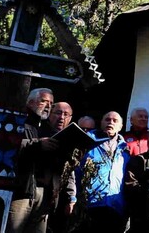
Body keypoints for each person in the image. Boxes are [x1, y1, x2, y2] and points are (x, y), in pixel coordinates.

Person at [7, 88, 63, 233]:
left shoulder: (50, 128)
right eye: (43, 101)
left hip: (44, 193)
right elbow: (7, 145)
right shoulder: (18, 121)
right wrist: (37, 144)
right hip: (22, 190)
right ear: (31, 103)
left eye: (51, 103)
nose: (48, 106)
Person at [76, 111, 130, 232]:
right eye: (107, 119)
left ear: (121, 127)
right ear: (101, 123)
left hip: (115, 207)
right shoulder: (87, 143)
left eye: (115, 121)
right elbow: (75, 172)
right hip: (89, 205)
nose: (110, 122)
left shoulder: (125, 150)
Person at [40, 102, 77, 233]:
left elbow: (69, 171)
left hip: (56, 197)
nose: (61, 117)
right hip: (33, 191)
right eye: (58, 113)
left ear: (70, 119)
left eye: (66, 114)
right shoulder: (38, 131)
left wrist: (71, 197)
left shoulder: (71, 140)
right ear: (50, 114)